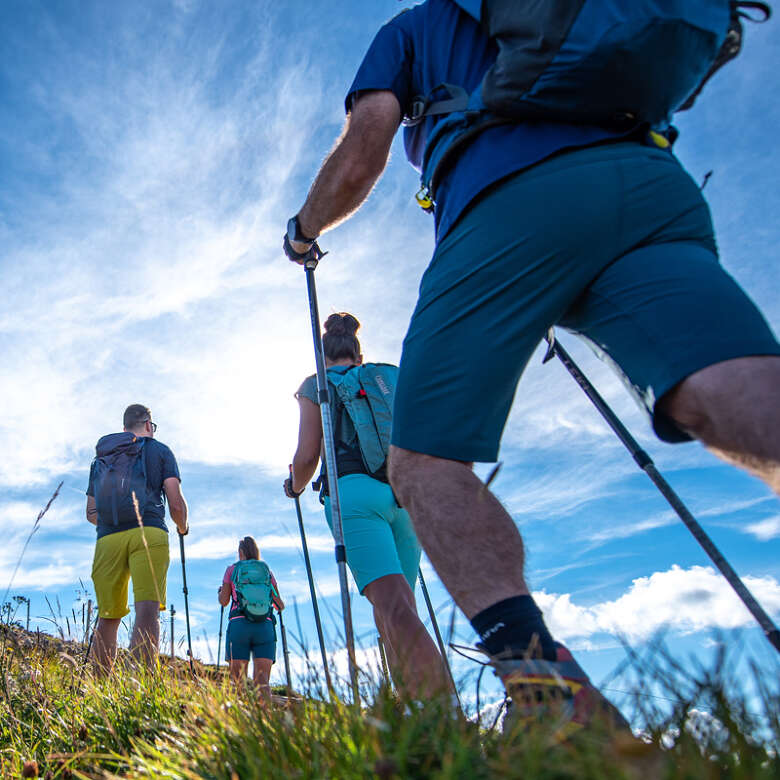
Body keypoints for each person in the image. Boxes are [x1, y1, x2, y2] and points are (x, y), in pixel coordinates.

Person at [282, 1, 780, 731]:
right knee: (728, 386)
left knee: (422, 464)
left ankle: (552, 703)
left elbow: (362, 152)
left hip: (503, 197)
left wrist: (304, 230)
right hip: (646, 178)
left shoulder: (415, 29)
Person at [284, 312, 450, 700]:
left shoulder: (316, 384)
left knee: (393, 610)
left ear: (323, 355)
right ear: (358, 355)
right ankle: (412, 711)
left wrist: (294, 487)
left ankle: (445, 714)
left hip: (353, 494)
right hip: (404, 499)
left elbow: (308, 456)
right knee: (397, 611)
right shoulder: (388, 378)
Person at [86, 404, 188, 673]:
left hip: (108, 538)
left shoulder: (101, 459)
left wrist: (116, 521)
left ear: (124, 429)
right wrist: (183, 527)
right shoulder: (160, 450)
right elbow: (175, 503)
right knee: (147, 610)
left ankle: (99, 691)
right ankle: (140, 685)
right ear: (147, 424)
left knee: (108, 617)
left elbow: (91, 512)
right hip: (150, 532)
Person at [218, 536, 284, 699]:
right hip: (264, 626)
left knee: (237, 682)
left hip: (239, 624)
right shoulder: (267, 572)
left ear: (241, 552)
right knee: (262, 684)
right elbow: (279, 604)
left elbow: (224, 601)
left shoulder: (232, 570)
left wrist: (221, 592)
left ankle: (238, 720)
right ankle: (264, 720)